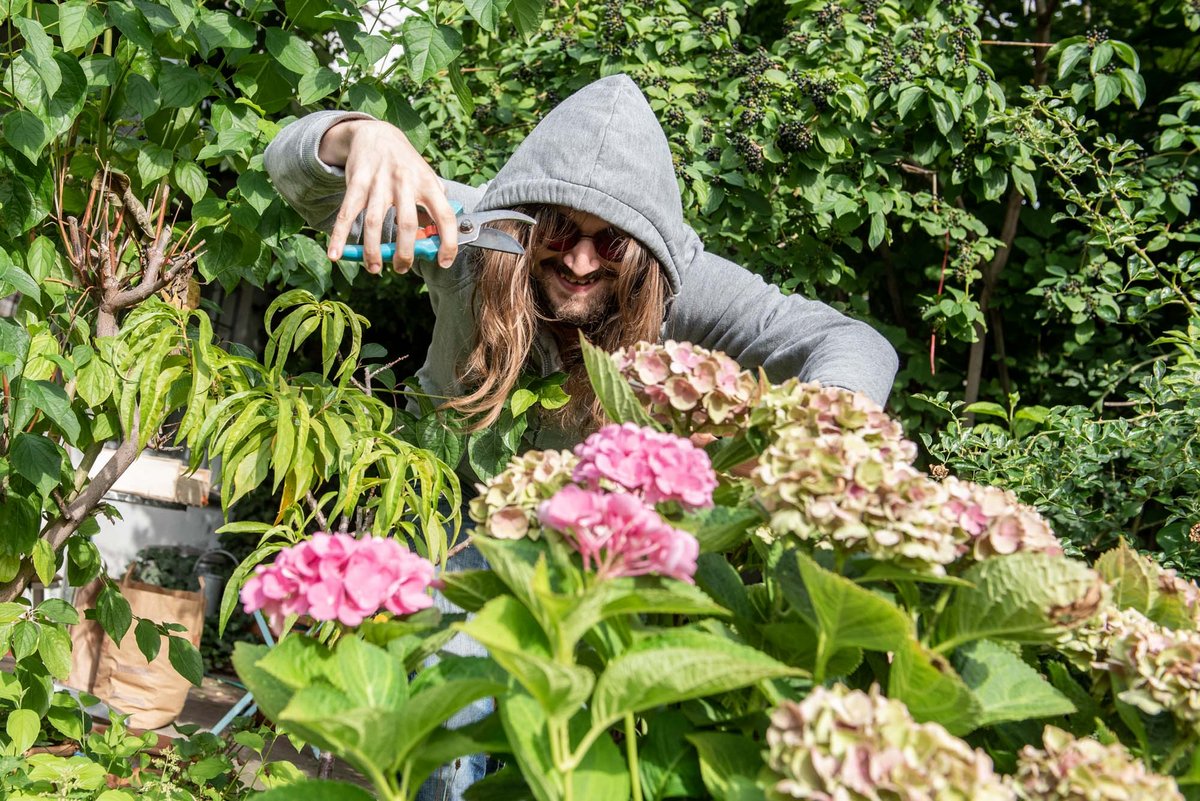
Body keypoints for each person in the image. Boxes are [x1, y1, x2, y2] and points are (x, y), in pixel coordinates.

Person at [263, 73, 898, 800]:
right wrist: (355, 135)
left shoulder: (687, 280)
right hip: (444, 513)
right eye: (560, 231)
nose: (580, 261)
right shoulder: (476, 230)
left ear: (647, 246)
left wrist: (827, 436)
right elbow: (292, 172)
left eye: (612, 244)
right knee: (452, 695)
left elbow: (854, 341)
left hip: (582, 557)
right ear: (530, 217)